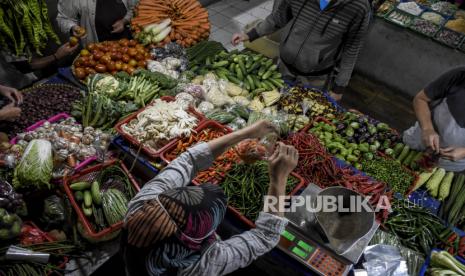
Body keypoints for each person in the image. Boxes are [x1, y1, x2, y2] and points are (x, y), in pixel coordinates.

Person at [121, 120, 299, 276]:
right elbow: (266, 236)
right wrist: (278, 178)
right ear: (198, 242)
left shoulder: (141, 205)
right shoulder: (201, 267)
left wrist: (245, 133)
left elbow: (188, 162)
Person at [231, 0, 371, 101]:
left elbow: (352, 48)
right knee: (272, 106)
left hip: (316, 79)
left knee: (300, 116)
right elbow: (278, 17)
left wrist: (339, 88)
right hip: (283, 68)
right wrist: (249, 34)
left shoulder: (358, 7)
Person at [403, 67, 465, 172]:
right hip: (419, 140)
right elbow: (420, 99)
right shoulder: (459, 76)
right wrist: (427, 129)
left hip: (449, 162)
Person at [56, 0, 136, 45]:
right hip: (97, 50)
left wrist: (124, 21)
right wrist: (72, 27)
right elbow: (63, 18)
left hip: (129, 43)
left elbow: (135, 8)